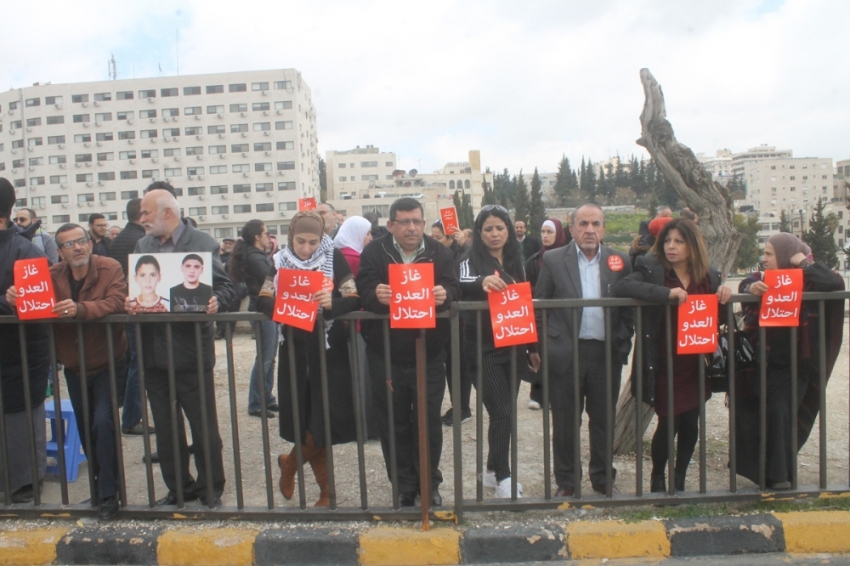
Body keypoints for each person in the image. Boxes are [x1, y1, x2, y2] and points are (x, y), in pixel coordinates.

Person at [8, 223, 129, 519]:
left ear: (89, 243)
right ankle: (103, 490)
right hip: (74, 366)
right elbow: (33, 306)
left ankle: (109, 497)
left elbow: (116, 302)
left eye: (81, 241)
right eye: (69, 244)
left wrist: (80, 309)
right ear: (60, 252)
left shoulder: (109, 266)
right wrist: (15, 299)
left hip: (109, 360)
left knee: (103, 423)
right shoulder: (52, 275)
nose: (78, 248)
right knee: (89, 430)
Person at [127, 186, 234, 508]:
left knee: (203, 426)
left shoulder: (202, 243)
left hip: (190, 352)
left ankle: (210, 488)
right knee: (167, 428)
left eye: (146, 213)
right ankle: (178, 489)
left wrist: (219, 302)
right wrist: (130, 303)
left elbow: (228, 287)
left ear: (167, 214)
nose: (141, 218)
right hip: (153, 352)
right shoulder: (142, 245)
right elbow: (135, 288)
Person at [357, 197, 460, 507]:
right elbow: (363, 287)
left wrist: (446, 294)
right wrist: (375, 294)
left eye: (417, 221)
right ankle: (403, 485)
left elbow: (454, 287)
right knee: (394, 421)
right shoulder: (375, 252)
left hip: (428, 352)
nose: (412, 227)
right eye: (405, 222)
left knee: (428, 421)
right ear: (391, 225)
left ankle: (429, 483)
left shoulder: (439, 252)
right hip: (385, 352)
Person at [614, 218, 731, 493]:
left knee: (691, 422)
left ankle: (679, 478)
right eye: (667, 241)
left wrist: (725, 294)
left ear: (693, 245)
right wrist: (666, 293)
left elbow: (719, 317)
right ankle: (657, 478)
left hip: (695, 362)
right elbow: (623, 287)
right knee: (668, 421)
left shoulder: (710, 275)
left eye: (679, 241)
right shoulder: (651, 268)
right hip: (664, 360)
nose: (671, 246)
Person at [257, 211, 360, 507]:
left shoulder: (334, 257)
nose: (306, 248)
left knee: (324, 419)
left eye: (313, 242)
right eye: (301, 241)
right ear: (291, 237)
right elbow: (262, 298)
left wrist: (332, 304)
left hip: (329, 350)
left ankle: (290, 464)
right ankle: (328, 493)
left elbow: (353, 297)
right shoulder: (278, 261)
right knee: (304, 419)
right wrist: (284, 304)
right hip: (295, 349)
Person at [533, 203, 634, 497]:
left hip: (605, 353)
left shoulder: (620, 260)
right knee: (565, 420)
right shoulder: (553, 260)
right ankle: (567, 481)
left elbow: (628, 307)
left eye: (596, 224)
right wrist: (542, 347)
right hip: (565, 351)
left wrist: (623, 341)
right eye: (584, 224)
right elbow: (541, 305)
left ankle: (603, 479)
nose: (590, 230)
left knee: (603, 420)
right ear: (572, 228)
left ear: (603, 228)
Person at [736, 232, 844, 490]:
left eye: (770, 254)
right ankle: (771, 473)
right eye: (764, 254)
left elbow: (832, 282)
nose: (765, 259)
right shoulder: (765, 279)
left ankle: (780, 475)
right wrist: (750, 288)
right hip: (765, 361)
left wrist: (803, 263)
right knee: (765, 414)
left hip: (798, 364)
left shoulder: (810, 279)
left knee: (782, 414)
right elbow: (745, 283)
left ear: (786, 254)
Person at [458, 205, 539, 497]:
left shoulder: (517, 261)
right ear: (479, 233)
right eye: (488, 229)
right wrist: (482, 282)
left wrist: (532, 347)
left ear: (509, 230)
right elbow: (458, 282)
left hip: (515, 344)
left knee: (505, 414)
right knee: (502, 412)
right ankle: (505, 478)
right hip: (482, 347)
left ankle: (492, 472)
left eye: (500, 228)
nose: (495, 234)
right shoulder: (469, 259)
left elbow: (525, 303)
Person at [0, 177, 49, 504]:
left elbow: (38, 303)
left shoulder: (25, 249)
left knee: (20, 419)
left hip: (19, 353)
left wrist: (9, 301)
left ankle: (24, 484)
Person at [227, 220, 279, 418]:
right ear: (257, 236)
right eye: (266, 233)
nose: (269, 237)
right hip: (262, 311)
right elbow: (271, 279)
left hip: (264, 310)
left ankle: (266, 398)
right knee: (265, 359)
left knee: (269, 358)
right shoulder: (255, 257)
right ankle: (257, 403)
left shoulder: (255, 255)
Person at [109, 198, 151, 435]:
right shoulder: (141, 241)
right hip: (137, 308)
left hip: (124, 308)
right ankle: (131, 418)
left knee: (133, 362)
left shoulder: (118, 240)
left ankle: (129, 414)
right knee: (139, 363)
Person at [333, 215, 377, 438]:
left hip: (350, 325)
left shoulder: (342, 254)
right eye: (367, 233)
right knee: (362, 377)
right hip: (358, 325)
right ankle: (365, 427)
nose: (370, 238)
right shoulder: (353, 258)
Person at [430, 219, 472, 427]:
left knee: (459, 366)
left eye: (438, 237)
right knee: (448, 367)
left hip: (459, 321)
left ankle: (463, 408)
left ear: (449, 238)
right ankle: (457, 406)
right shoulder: (433, 257)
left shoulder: (460, 257)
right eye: (431, 237)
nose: (433, 241)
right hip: (442, 322)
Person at [524, 218, 568, 410]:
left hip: (560, 315)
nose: (545, 236)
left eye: (550, 232)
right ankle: (538, 393)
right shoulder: (534, 261)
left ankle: (556, 394)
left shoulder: (568, 258)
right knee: (538, 350)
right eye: (543, 232)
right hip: (538, 312)